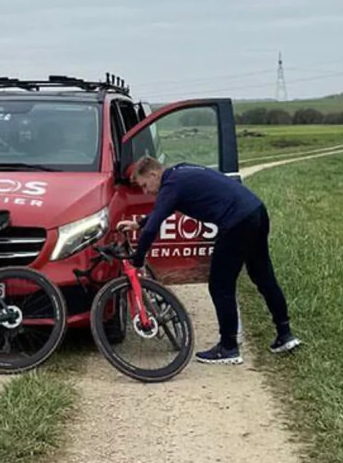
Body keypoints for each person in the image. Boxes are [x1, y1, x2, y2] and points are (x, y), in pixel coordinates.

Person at [119, 156, 300, 365]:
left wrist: (138, 259)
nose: (145, 191)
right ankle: (285, 335)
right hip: (256, 211)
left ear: (153, 174)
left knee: (220, 285)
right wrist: (139, 224)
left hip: (236, 222)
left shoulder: (171, 185)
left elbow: (153, 228)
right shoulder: (180, 172)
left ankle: (228, 348)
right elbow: (160, 213)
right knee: (263, 276)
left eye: (144, 185)